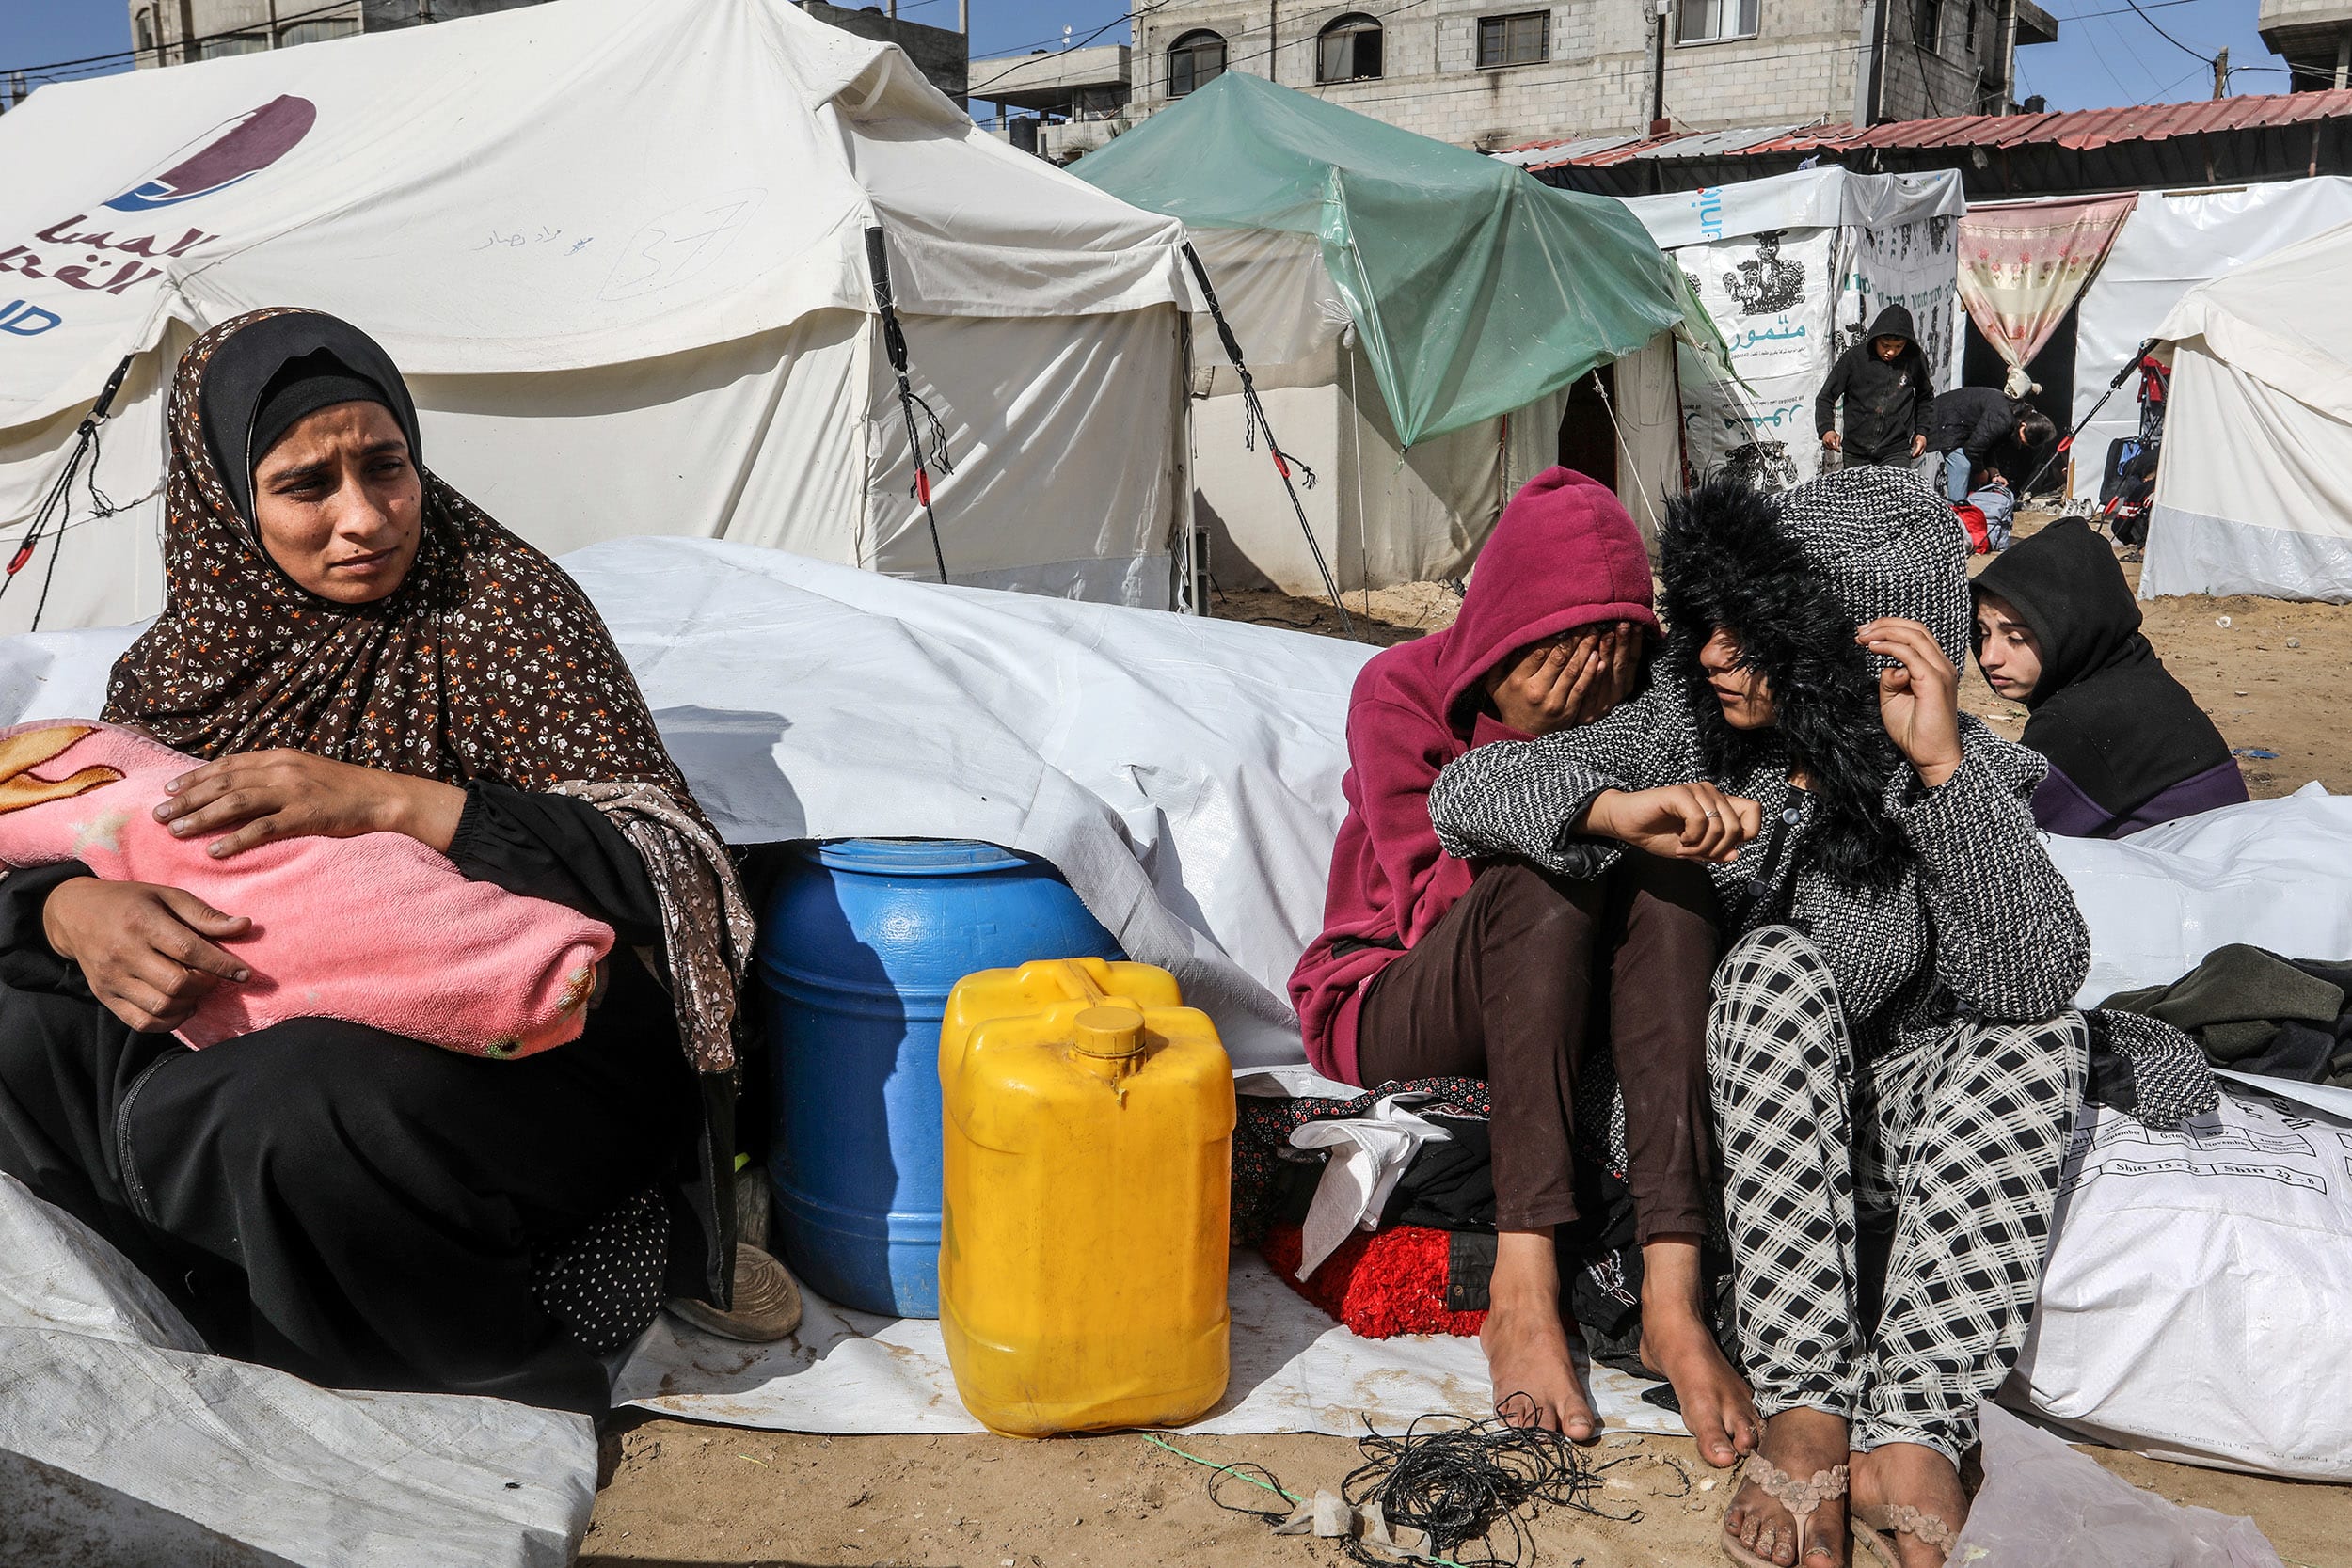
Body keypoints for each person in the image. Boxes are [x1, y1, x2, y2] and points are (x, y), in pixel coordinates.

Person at [0, 309, 780, 1416]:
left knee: (304, 1098)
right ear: (227, 499)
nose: (363, 518)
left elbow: (665, 867)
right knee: (21, 1019)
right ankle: (157, 1310)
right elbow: (92, 826)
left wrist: (387, 803)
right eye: (306, 485)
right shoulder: (192, 661)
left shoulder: (503, 612)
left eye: (387, 467)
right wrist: (75, 910)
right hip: (259, 1008)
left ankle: (471, 1385)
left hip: (542, 1039)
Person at [1429, 467, 2090, 1568]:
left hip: (1878, 1125)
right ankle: (1805, 1398)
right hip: (1713, 1120)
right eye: (1714, 623)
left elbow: (2032, 979)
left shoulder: (1955, 776)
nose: (1713, 654)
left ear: (1855, 649)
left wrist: (1938, 770)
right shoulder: (1686, 731)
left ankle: (1913, 1430)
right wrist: (1609, 808)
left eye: (1756, 632)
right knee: (1774, 965)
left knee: (2044, 1037)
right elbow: (1470, 793)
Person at [1289, 467, 1758, 1463]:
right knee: (1549, 873)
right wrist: (1556, 779)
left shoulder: (1643, 704)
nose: (1587, 681)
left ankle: (1671, 1290)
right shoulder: (1401, 689)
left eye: (1614, 653)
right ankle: (1522, 1285)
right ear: (1499, 633)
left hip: (1561, 993)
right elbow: (1430, 898)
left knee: (1673, 887)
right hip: (1396, 986)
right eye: (1557, 652)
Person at [1974, 516, 2248, 837]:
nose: (1988, 657)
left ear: (2072, 630)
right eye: (1982, 633)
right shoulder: (2139, 677)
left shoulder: (2079, 722)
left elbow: (1980, 839)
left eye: (2016, 638)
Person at [1815, 307, 1933, 471]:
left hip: (1896, 450)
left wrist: (1922, 432)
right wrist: (1826, 429)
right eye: (1885, 345)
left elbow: (1925, 397)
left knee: (1896, 496)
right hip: (1856, 452)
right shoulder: (1854, 359)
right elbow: (1825, 397)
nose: (1891, 352)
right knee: (1858, 496)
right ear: (1875, 339)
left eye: (1898, 346)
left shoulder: (1914, 359)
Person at [1922, 387, 2057, 504]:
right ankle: (1958, 515)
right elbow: (1973, 449)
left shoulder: (2016, 414)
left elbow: (1988, 442)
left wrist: (1994, 471)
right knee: (1962, 465)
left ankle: (1966, 509)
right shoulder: (2003, 417)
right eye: (2023, 439)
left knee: (1972, 468)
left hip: (1961, 426)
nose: (2020, 443)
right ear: (2024, 425)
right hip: (1945, 420)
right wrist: (1980, 471)